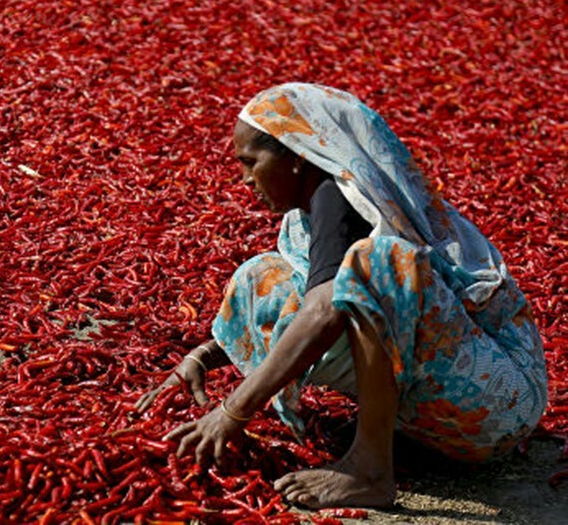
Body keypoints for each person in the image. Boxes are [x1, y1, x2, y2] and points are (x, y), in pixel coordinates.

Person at [135, 83, 548, 509]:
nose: (244, 180)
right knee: (261, 277)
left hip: (499, 406)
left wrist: (234, 410)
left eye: (249, 163)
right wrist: (202, 358)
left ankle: (370, 470)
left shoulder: (343, 199)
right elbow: (312, 302)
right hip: (446, 410)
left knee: (378, 262)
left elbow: (323, 309)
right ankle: (386, 441)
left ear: (296, 157)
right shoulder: (312, 211)